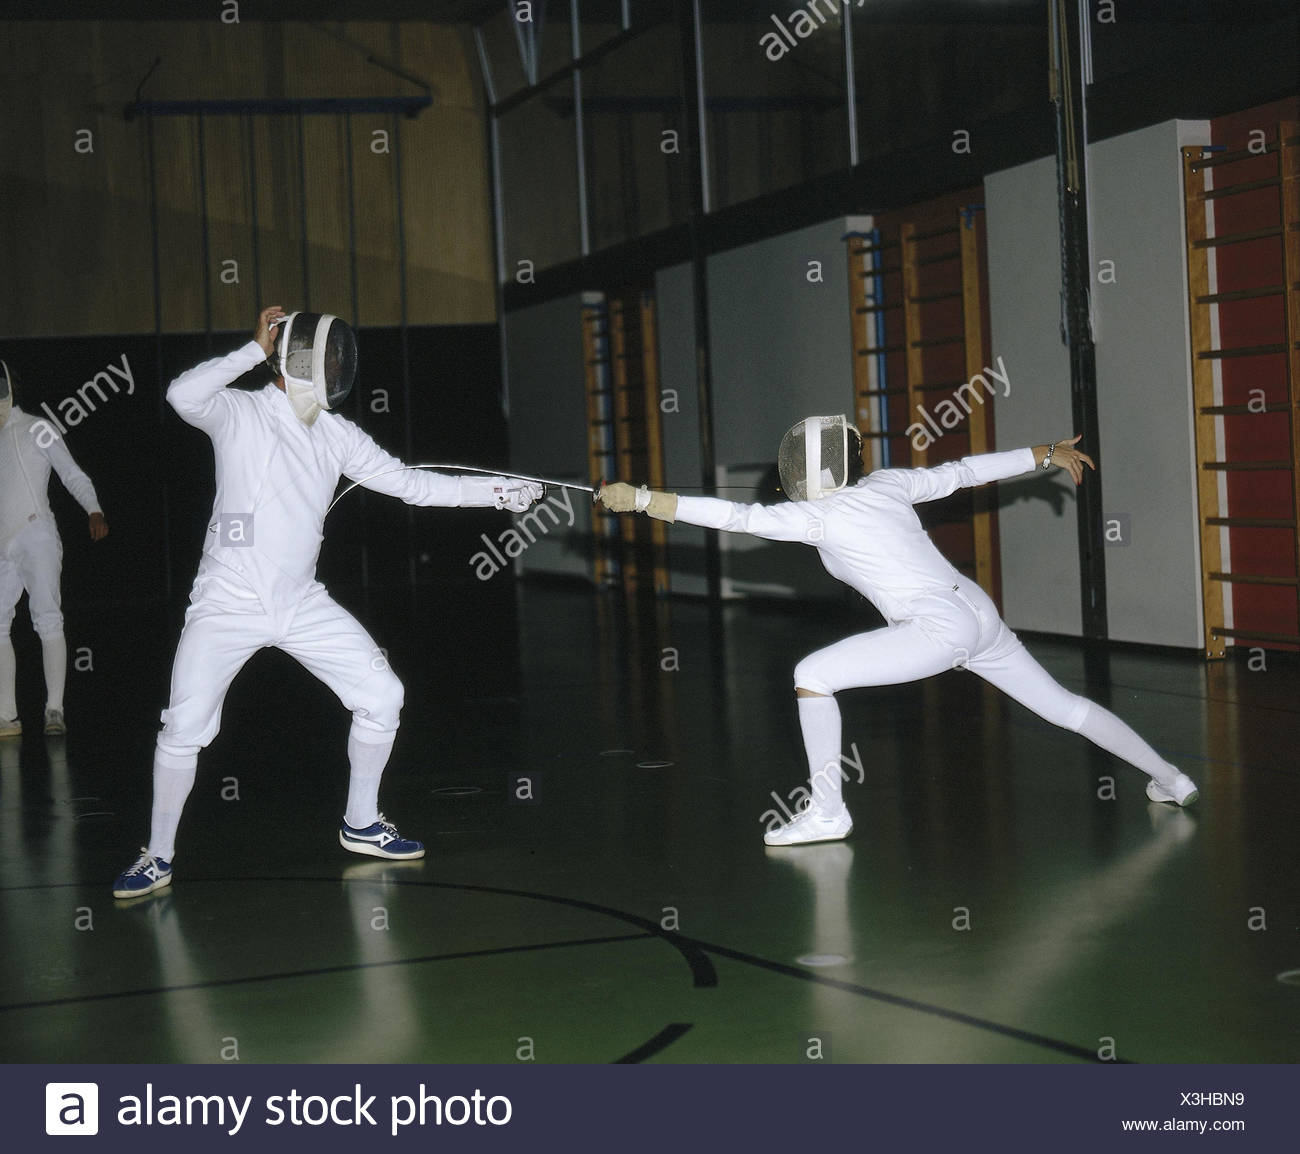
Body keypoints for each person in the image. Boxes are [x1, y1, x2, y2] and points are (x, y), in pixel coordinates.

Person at [598, 420, 1199, 847]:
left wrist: (644, 499)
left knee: (812, 676)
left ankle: (828, 813)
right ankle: (1171, 778)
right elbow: (962, 473)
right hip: (977, 612)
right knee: (1065, 708)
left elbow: (736, 517)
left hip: (938, 627)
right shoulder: (886, 484)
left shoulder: (813, 515)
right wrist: (1042, 452)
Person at [112, 306, 543, 898]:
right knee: (183, 726)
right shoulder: (240, 412)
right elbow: (181, 394)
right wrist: (252, 351)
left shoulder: (337, 436)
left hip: (300, 603)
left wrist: (499, 493)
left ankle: (361, 824)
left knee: (383, 696)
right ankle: (157, 856)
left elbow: (414, 485)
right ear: (295, 360)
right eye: (328, 355)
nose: (338, 365)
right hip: (226, 604)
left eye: (341, 356)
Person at [0, 358, 109, 739]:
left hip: (37, 534)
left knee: (47, 618)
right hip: (2, 545)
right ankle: (7, 716)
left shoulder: (37, 428)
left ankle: (54, 709)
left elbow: (71, 472)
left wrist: (93, 508)